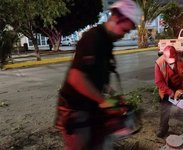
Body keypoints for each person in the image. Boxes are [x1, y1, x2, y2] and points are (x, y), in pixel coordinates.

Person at [54, 0, 142, 149]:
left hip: (90, 108)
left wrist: (113, 96)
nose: (124, 35)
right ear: (117, 18)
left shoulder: (107, 42)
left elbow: (97, 77)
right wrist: (103, 101)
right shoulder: (92, 38)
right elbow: (76, 78)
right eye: (124, 30)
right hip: (75, 111)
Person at [154, 46, 183, 138]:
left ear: (176, 55)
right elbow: (158, 82)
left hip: (182, 83)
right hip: (167, 86)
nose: (172, 64)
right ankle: (163, 128)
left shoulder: (182, 56)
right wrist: (171, 93)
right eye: (170, 62)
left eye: (173, 61)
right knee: (164, 105)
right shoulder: (159, 63)